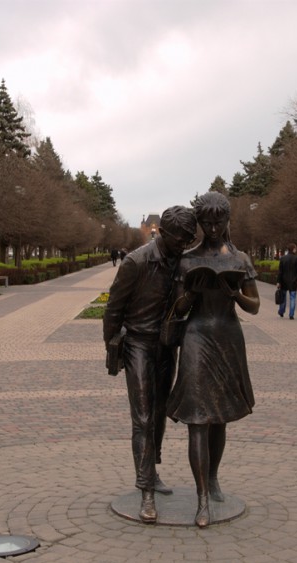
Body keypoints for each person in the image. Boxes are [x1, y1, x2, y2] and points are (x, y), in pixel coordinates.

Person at [166, 192, 260, 528]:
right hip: (197, 336)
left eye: (219, 222)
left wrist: (235, 294)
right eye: (206, 223)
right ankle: (202, 497)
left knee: (219, 416)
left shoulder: (240, 259)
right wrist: (192, 293)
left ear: (227, 220)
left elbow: (255, 306)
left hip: (228, 337)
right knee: (198, 417)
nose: (213, 228)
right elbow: (178, 309)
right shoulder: (188, 260)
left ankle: (213, 477)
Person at [103, 205, 197, 524]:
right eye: (180, 239)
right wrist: (111, 349)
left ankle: (152, 471)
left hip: (166, 346)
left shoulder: (182, 261)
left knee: (159, 413)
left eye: (188, 239)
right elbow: (113, 309)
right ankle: (146, 491)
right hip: (138, 345)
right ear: (164, 233)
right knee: (142, 418)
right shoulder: (136, 262)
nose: (185, 244)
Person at [276, 244, 297, 319]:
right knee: (293, 298)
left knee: (283, 297)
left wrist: (278, 281)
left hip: (283, 281)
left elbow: (280, 271)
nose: (296, 250)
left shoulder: (283, 258)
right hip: (293, 281)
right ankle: (291, 314)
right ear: (293, 249)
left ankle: (281, 311)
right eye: (295, 248)